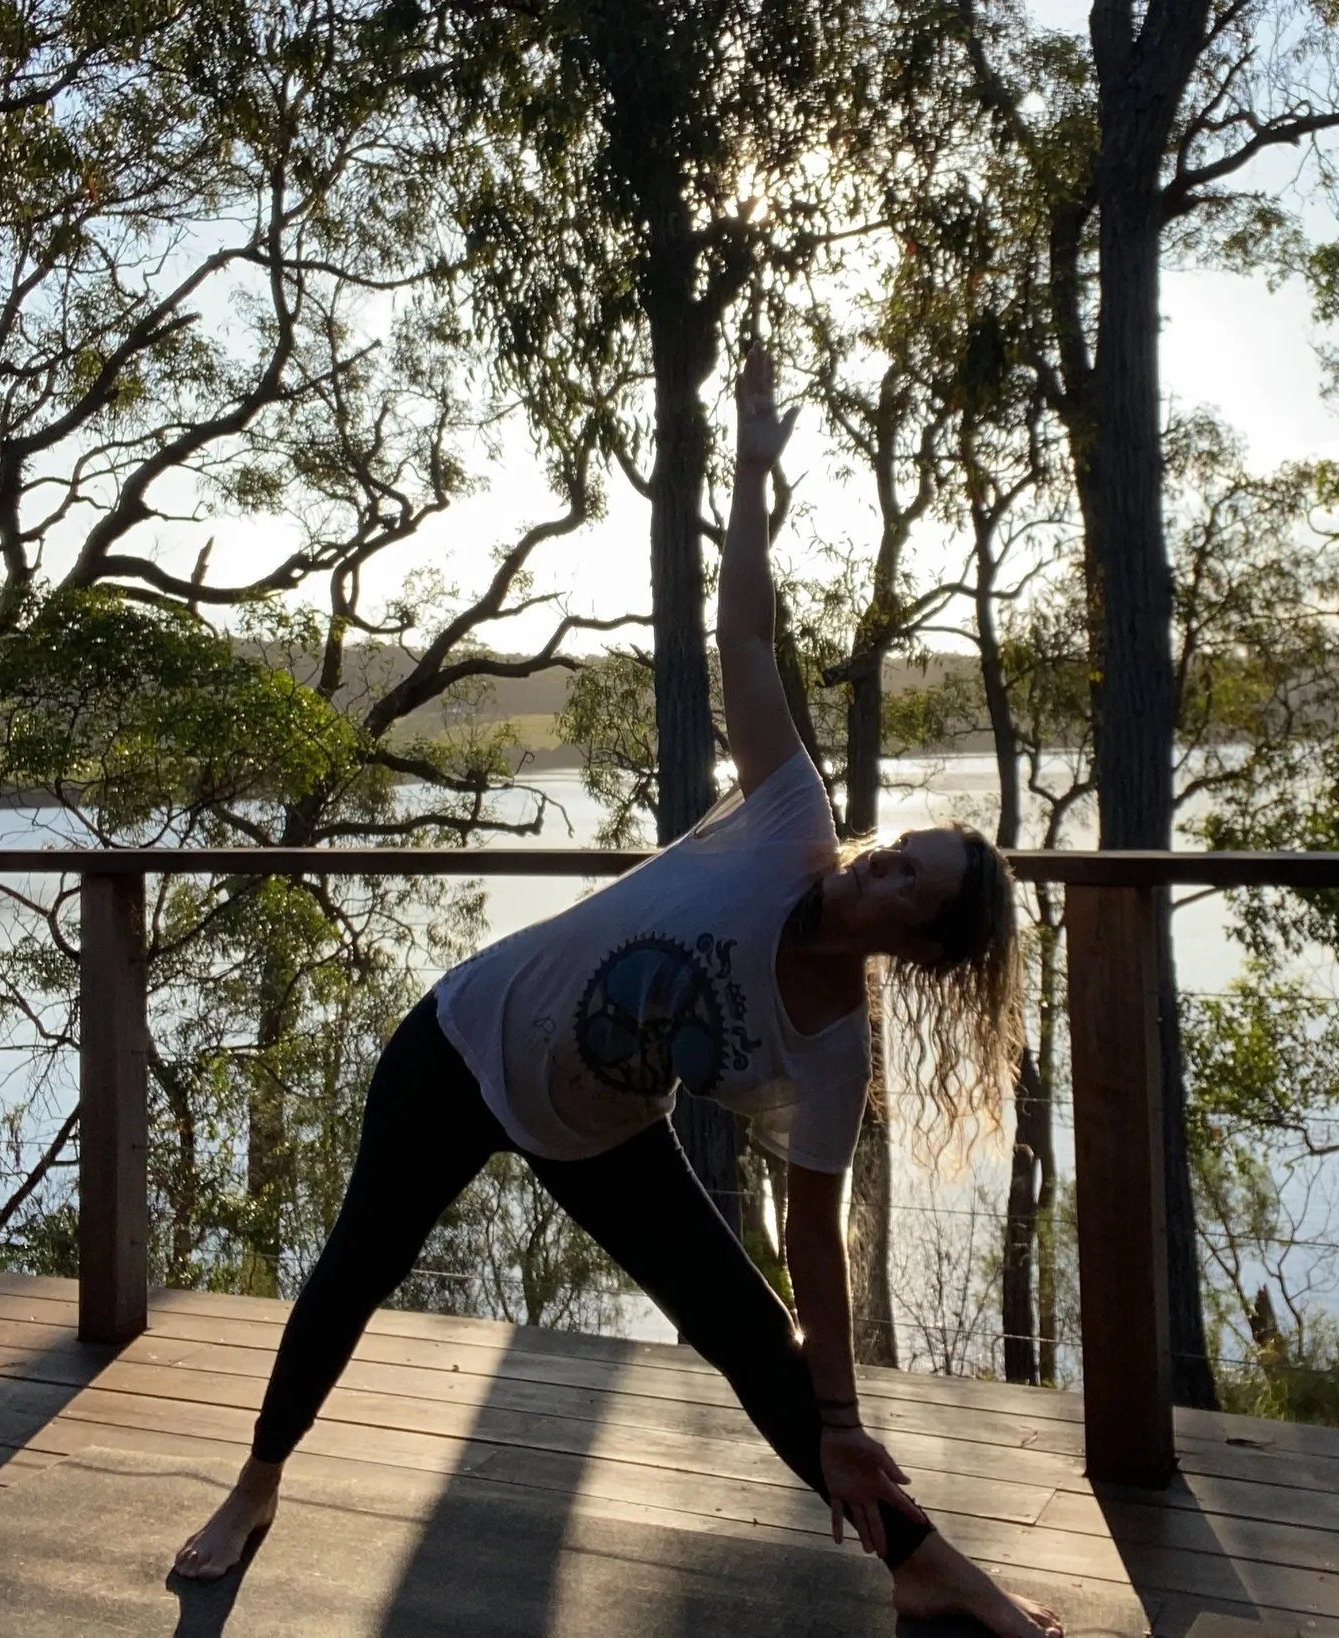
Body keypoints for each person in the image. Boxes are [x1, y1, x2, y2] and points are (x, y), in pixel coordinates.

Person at [171, 343, 1063, 1638]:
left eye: (908, 898)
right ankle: (257, 1480)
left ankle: (926, 1561)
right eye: (902, 855)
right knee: (361, 1258)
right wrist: (754, 467)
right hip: (465, 1040)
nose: (881, 878)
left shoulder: (831, 1051)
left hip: (598, 1129)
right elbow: (744, 632)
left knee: (747, 1328)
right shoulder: (788, 819)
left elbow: (814, 1246)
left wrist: (838, 1416)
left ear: (911, 951)